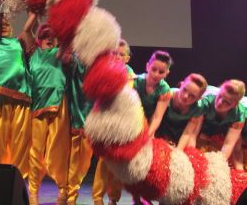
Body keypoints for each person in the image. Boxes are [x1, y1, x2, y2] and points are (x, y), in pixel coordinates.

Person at [0, 0, 36, 178]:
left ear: (11, 27)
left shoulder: (19, 42)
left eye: (5, 23)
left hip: (22, 98)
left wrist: (34, 6)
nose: (2, 26)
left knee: (20, 146)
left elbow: (30, 29)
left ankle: (17, 185)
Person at [27, 24, 70, 205]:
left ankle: (63, 190)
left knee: (57, 150)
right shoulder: (33, 52)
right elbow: (25, 31)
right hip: (37, 106)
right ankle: (33, 192)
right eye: (46, 36)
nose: (50, 39)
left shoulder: (61, 53)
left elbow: (70, 46)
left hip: (58, 104)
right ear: (39, 39)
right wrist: (34, 12)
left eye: (53, 36)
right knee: (36, 151)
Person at [92, 38, 135, 205]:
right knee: (103, 160)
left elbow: (126, 95)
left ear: (127, 58)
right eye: (114, 53)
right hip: (105, 119)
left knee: (117, 162)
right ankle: (97, 197)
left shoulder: (129, 73)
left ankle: (113, 198)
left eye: (121, 54)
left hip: (121, 122)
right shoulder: (104, 70)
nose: (117, 56)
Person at [132, 50, 172, 205]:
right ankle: (135, 199)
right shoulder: (135, 82)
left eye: (161, 71)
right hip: (132, 121)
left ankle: (145, 197)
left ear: (167, 73)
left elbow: (157, 116)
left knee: (147, 164)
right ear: (147, 66)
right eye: (154, 69)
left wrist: (148, 134)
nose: (156, 74)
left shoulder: (165, 90)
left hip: (149, 125)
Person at [63, 52, 93, 205]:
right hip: (75, 107)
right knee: (73, 156)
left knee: (85, 159)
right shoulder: (74, 58)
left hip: (92, 112)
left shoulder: (99, 59)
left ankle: (73, 190)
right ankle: (69, 193)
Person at [196, 80, 247, 166]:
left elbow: (228, 144)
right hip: (205, 130)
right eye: (220, 96)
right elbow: (194, 133)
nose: (220, 103)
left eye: (227, 102)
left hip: (222, 133)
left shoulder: (238, 115)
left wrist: (218, 164)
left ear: (235, 104)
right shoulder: (206, 103)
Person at [156, 73, 207, 149]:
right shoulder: (168, 94)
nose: (185, 96)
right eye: (184, 90)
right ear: (181, 84)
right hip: (161, 132)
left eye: (192, 96)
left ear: (199, 98)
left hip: (181, 137)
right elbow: (156, 118)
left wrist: (178, 152)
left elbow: (187, 133)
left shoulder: (198, 108)